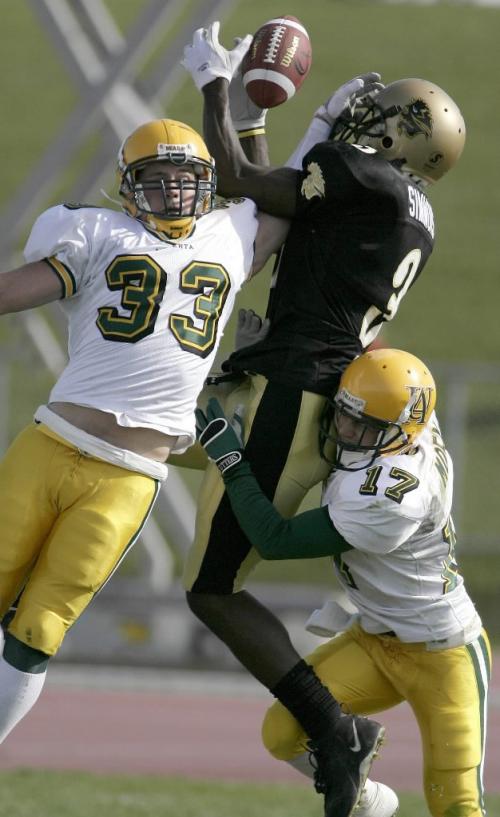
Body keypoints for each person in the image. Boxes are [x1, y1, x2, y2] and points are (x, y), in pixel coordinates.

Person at [180, 21, 468, 817]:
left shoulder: (357, 177)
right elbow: (289, 198)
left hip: (291, 390)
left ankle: (335, 734)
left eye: (383, 115)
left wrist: (214, 82)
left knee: (212, 592)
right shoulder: (406, 209)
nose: (364, 119)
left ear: (399, 134)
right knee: (154, 428)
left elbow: (240, 179)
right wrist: (288, 127)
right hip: (305, 383)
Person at [0, 117, 287, 745]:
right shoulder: (97, 231)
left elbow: (277, 198)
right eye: (156, 180)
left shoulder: (230, 237)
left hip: (130, 476)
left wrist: (268, 115)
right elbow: (17, 290)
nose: (174, 193)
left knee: (41, 628)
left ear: (208, 185)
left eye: (186, 180)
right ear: (128, 187)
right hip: (52, 444)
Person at [195, 347, 491, 817]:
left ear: (399, 435)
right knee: (283, 733)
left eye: (365, 427)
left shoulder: (393, 496)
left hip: (444, 651)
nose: (347, 431)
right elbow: (372, 359)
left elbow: (275, 539)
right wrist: (271, 346)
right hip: (374, 640)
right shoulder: (410, 421)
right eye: (346, 415)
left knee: (456, 804)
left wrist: (233, 463)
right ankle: (370, 803)